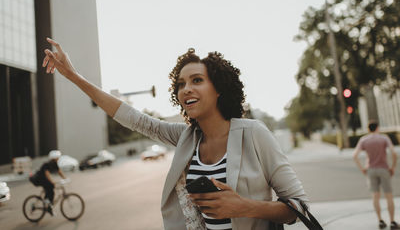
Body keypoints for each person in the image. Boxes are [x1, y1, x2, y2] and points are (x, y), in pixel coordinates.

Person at [42, 38, 308, 230]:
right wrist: (73, 76)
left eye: (197, 80)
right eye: (181, 84)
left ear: (219, 88)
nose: (186, 89)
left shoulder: (254, 134)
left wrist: (242, 206)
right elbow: (133, 118)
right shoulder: (185, 137)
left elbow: (298, 208)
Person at [353, 121, 399, 229]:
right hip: (384, 169)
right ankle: (392, 222)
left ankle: (380, 221)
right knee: (388, 196)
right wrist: (393, 167)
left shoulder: (364, 139)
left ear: (368, 129)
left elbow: (355, 155)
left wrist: (363, 169)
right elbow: (394, 153)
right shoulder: (384, 138)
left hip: (371, 170)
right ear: (377, 128)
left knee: (375, 196)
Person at [31, 150, 66, 215]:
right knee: (50, 188)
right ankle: (46, 202)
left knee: (51, 189)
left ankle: (49, 207)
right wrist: (52, 182)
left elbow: (59, 172)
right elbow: (47, 174)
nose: (58, 159)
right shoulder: (47, 164)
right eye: (57, 157)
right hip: (40, 179)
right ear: (54, 158)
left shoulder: (55, 164)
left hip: (45, 179)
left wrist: (65, 178)